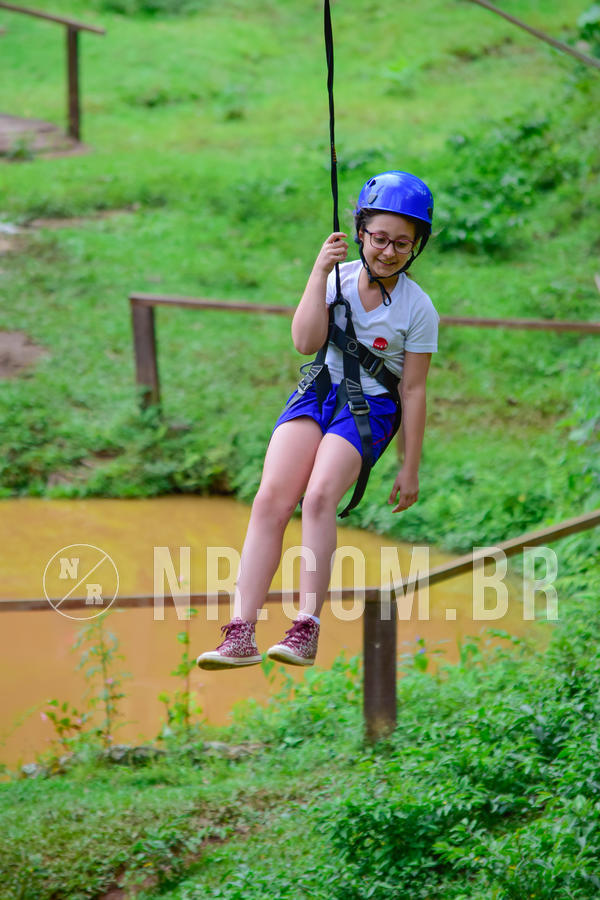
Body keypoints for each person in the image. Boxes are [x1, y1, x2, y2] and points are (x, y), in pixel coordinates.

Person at [196, 170, 439, 670]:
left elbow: (413, 390)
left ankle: (306, 625)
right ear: (360, 232)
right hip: (318, 389)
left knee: (320, 494)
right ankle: (239, 631)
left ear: (416, 246)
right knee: (271, 497)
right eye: (379, 239)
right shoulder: (337, 278)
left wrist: (409, 467)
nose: (388, 252)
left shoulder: (419, 309)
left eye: (401, 243)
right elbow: (306, 343)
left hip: (371, 406)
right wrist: (317, 272)